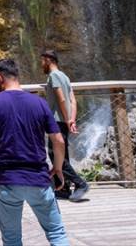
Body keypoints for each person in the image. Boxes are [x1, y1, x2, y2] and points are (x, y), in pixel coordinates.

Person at [0, 57, 69, 246]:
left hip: (7, 181)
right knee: (56, 233)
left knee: (11, 240)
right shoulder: (39, 102)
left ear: (0, 78)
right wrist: (58, 168)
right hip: (38, 179)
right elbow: (59, 141)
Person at [40, 49, 90, 202]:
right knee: (63, 153)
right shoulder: (65, 76)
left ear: (49, 60)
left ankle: (80, 184)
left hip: (56, 120)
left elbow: (61, 99)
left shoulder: (53, 76)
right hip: (64, 120)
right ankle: (63, 188)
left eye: (42, 61)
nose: (41, 64)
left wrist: (67, 119)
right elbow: (72, 100)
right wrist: (71, 119)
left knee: (54, 153)